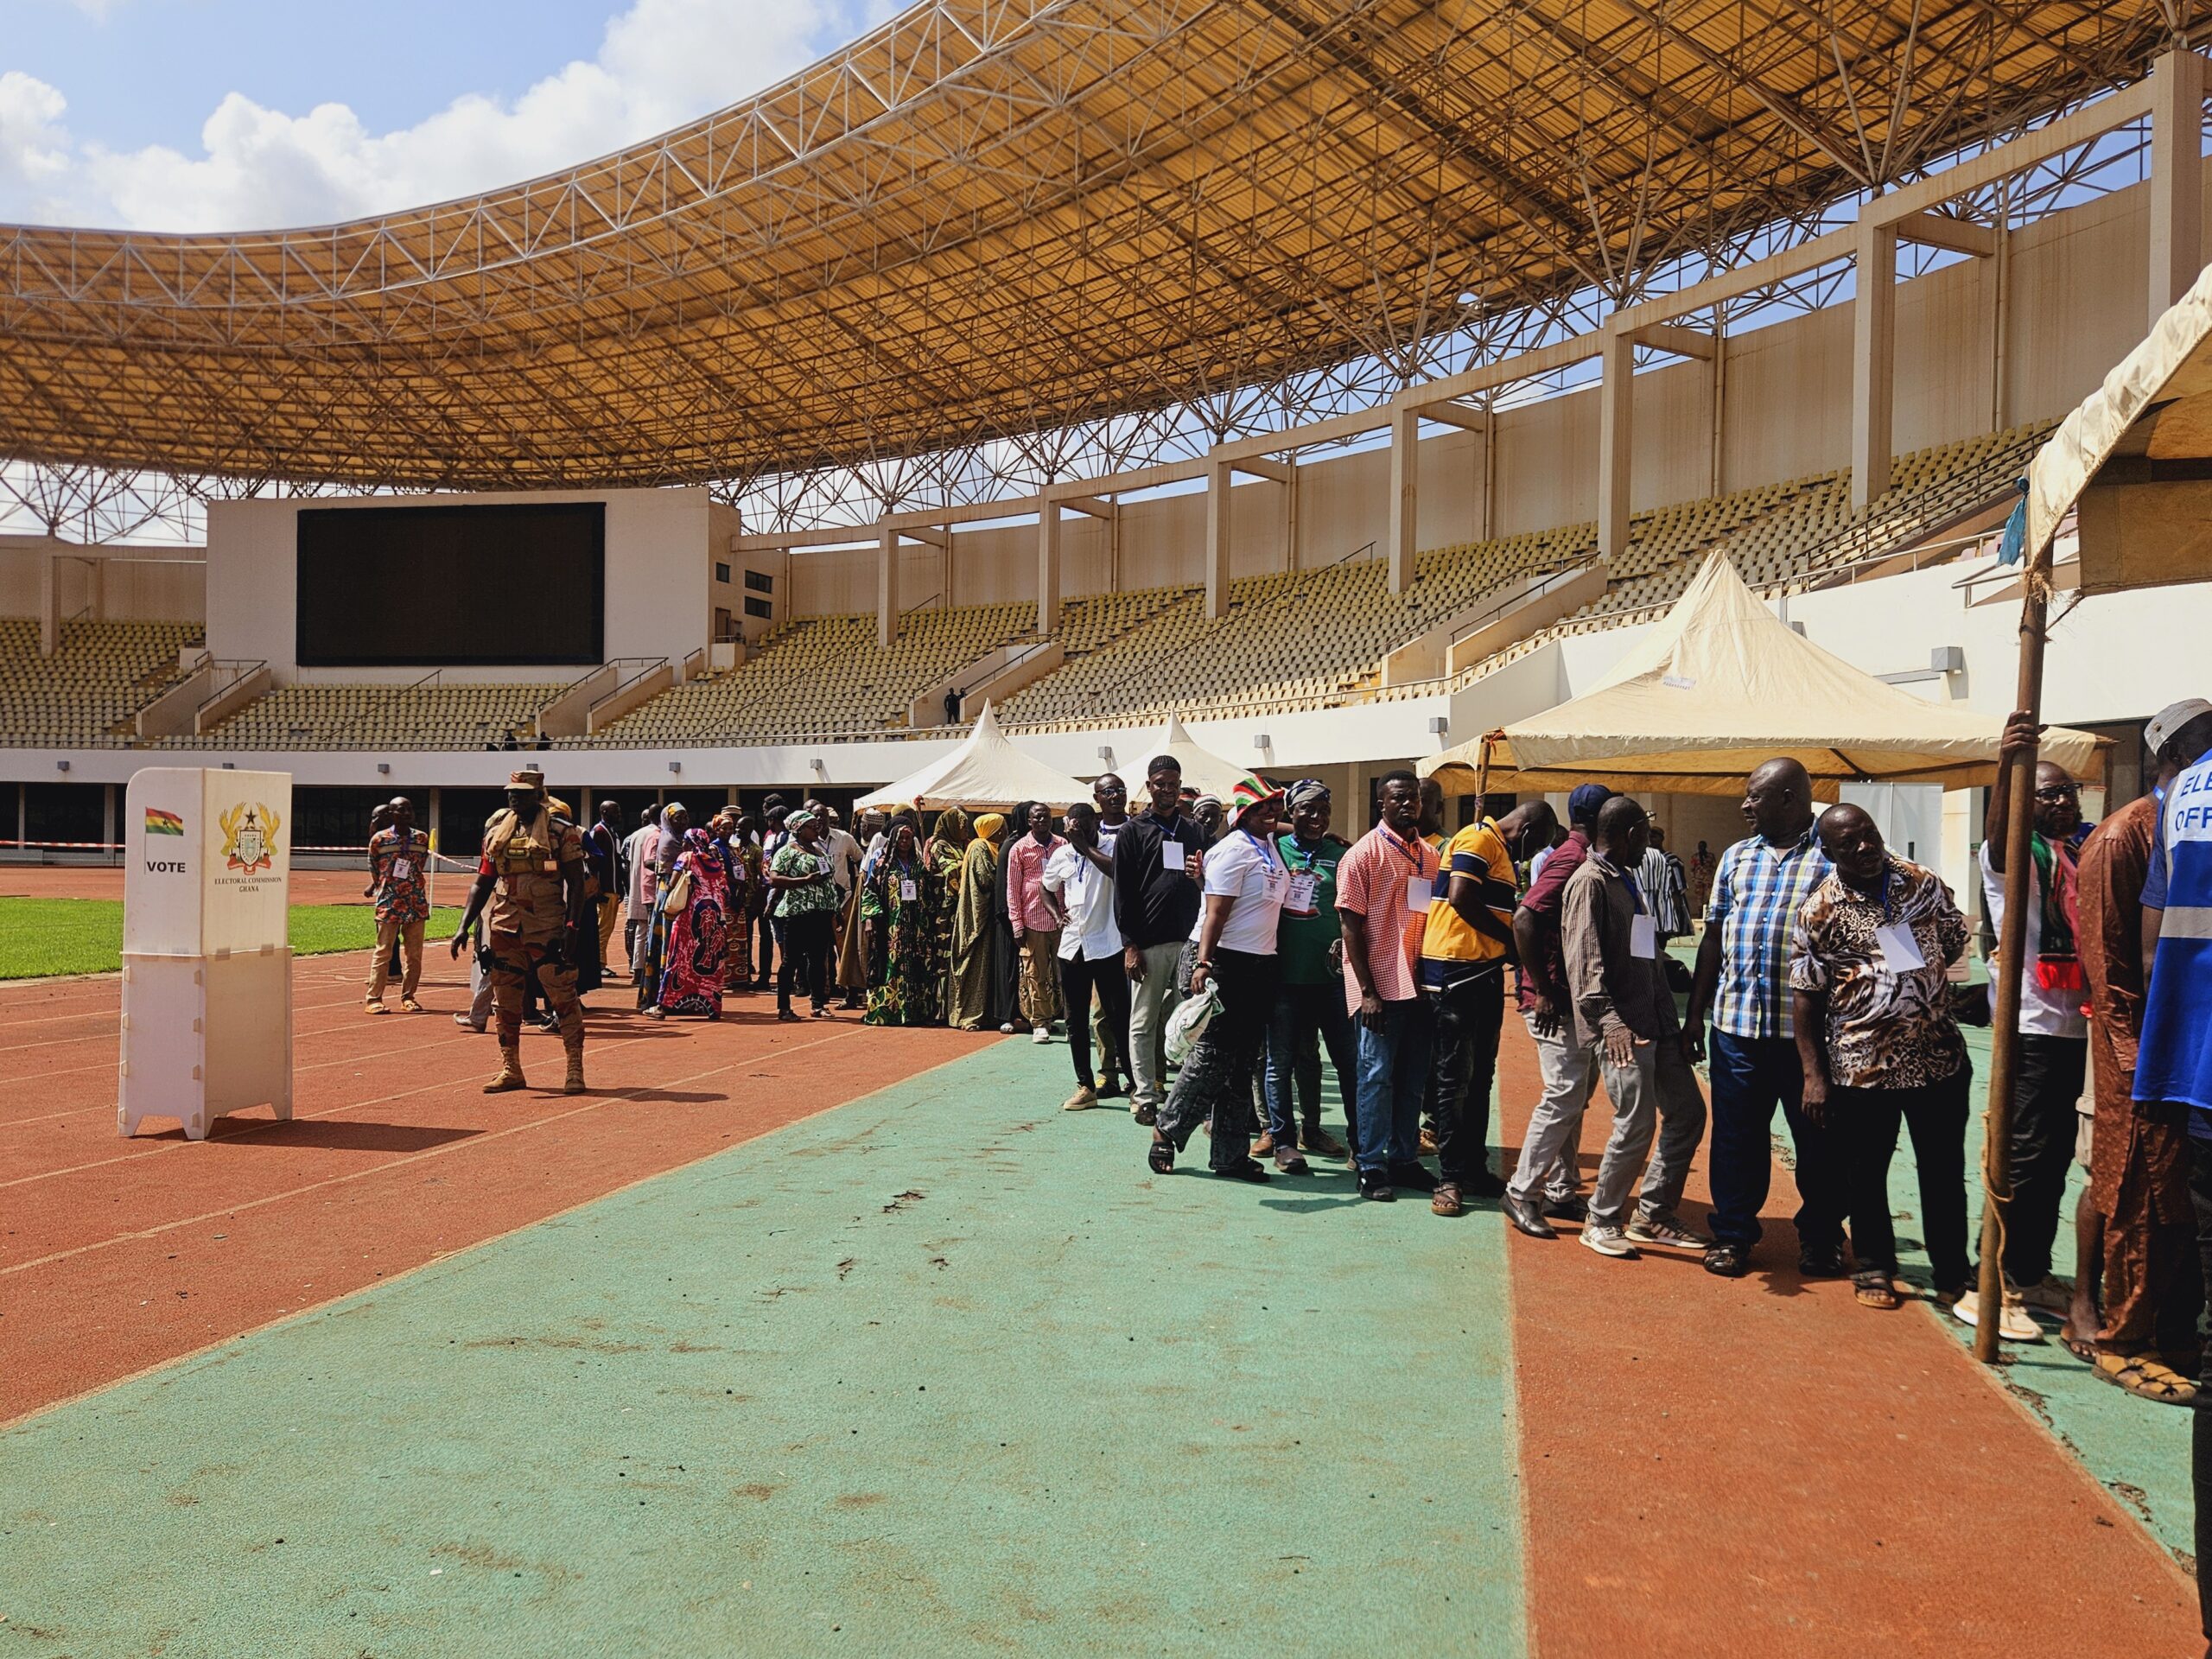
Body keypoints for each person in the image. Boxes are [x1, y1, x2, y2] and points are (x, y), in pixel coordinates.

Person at [2071, 700, 2212, 1400]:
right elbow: (2110, 964)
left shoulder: (2184, 826)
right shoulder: (2125, 836)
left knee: (2183, 1202)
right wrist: (2135, 1062)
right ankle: (2120, 1339)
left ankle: (2173, 1330)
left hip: (2189, 1054)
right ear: (2174, 760)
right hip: (2142, 1054)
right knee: (2131, 1194)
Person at [1789, 804, 1973, 1309]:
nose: (1865, 848)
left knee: (1942, 1170)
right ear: (1829, 852)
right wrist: (1814, 1076)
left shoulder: (1921, 882)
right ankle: (1874, 1266)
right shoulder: (1820, 909)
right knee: (1866, 1171)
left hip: (1938, 1057)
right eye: (1849, 844)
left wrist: (1916, 986)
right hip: (1864, 1066)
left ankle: (1952, 1272)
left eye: (1868, 835)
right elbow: (1806, 993)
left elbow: (1954, 938)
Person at [1686, 757, 1844, 1279]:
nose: (1745, 805)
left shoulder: (1833, 856)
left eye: (1756, 796)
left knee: (1818, 1142)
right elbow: (1713, 938)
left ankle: (1820, 1239)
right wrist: (1696, 1016)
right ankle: (1733, 1234)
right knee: (1736, 1139)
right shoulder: (1736, 857)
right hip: (1736, 1030)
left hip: (1808, 1040)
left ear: (1790, 799)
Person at [1972, 709, 2095, 1332]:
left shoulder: (2080, 852)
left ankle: (2028, 1270)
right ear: (2027, 801)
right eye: (2049, 794)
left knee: (2052, 1163)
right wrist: (2008, 767)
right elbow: (1996, 843)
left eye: (2069, 792)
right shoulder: (2015, 860)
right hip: (2030, 1027)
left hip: (2079, 1028)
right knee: (2019, 1156)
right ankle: (1991, 1281)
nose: (2064, 802)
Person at [1559, 797, 1710, 1258]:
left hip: (1657, 1024)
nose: (1650, 845)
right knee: (1636, 1122)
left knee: (1687, 1114)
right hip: (1623, 1029)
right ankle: (1602, 1218)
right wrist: (1610, 1022)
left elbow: (1644, 954)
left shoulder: (1626, 879)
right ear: (1628, 835)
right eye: (1645, 836)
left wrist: (1677, 1020)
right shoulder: (1588, 883)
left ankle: (1653, 1214)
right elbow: (1584, 964)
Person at [1147, 777, 1289, 1181]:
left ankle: (1229, 1154)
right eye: (1263, 808)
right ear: (1243, 814)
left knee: (1241, 1062)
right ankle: (1167, 1129)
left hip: (1258, 964)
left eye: (1275, 806)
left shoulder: (1267, 847)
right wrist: (1204, 963)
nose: (1272, 813)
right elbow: (1215, 913)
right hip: (1219, 959)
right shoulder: (1233, 850)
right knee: (1212, 1056)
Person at [1420, 800, 1550, 1214]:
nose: (1528, 857)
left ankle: (1473, 1167)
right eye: (1534, 848)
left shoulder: (1495, 847)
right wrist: (1511, 942)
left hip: (1483, 972)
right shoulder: (1478, 838)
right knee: (1453, 1078)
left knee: (1480, 1078)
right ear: (1527, 831)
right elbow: (1461, 897)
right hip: (1455, 973)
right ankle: (1451, 1177)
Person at [1502, 788, 1606, 1238]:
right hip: (1551, 999)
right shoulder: (1570, 858)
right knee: (1564, 1091)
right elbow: (1525, 918)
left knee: (1575, 1094)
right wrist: (1542, 989)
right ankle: (1522, 1191)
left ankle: (1562, 1189)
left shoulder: (1584, 855)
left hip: (1570, 998)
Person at [1336, 770, 1442, 1202]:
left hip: (1420, 986)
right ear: (1381, 803)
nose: (1407, 805)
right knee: (1376, 1076)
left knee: (1413, 1078)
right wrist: (1367, 991)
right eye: (1398, 798)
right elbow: (1350, 925)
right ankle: (1371, 1164)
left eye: (1413, 798)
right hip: (1380, 987)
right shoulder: (1362, 856)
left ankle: (1403, 1157)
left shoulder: (1429, 856)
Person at [449, 767, 588, 1094]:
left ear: (538, 795)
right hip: (505, 926)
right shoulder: (497, 832)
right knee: (506, 1000)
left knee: (563, 998)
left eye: (522, 792)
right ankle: (511, 1068)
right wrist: (463, 926)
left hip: (548, 926)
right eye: (511, 791)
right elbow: (482, 881)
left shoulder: (560, 832)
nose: (514, 796)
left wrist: (572, 926)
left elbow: (577, 884)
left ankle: (574, 1068)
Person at [1262, 780, 1355, 1164]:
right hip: (1284, 978)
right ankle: (1283, 1140)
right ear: (1291, 813)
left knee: (1347, 1062)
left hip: (1331, 980)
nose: (1317, 818)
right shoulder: (1272, 849)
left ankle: (1350, 1138)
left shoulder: (1342, 853)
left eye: (1323, 810)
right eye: (1307, 810)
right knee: (1279, 1062)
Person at [1113, 756, 1203, 1126]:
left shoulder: (1193, 829)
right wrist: (1130, 944)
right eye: (1161, 784)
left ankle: (1186, 1094)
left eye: (1174, 784)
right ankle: (1145, 1095)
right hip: (1148, 943)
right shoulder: (1133, 831)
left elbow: (1208, 883)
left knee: (1189, 1021)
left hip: (1188, 941)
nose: (1168, 790)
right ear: (1149, 786)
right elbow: (1124, 892)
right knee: (1143, 1022)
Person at [1042, 801, 1130, 1109]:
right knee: (1076, 1020)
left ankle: (1134, 1085)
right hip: (1072, 946)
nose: (1076, 833)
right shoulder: (1061, 854)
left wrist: (1085, 848)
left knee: (1118, 1017)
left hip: (1107, 944)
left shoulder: (1113, 845)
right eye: (1071, 829)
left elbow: (1119, 873)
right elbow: (1046, 886)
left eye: (1083, 827)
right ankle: (1085, 1086)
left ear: (1095, 823)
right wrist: (1055, 913)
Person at [861, 819, 942, 1027]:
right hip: (891, 928)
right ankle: (889, 1012)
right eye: (902, 839)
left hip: (916, 928)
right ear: (894, 841)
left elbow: (929, 894)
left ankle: (915, 1012)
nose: (905, 842)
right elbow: (870, 892)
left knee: (917, 968)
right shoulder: (882, 866)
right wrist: (870, 919)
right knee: (890, 967)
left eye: (908, 838)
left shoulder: (918, 865)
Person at [648, 825, 732, 1019]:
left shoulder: (686, 857)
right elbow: (725, 892)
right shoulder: (716, 863)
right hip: (716, 919)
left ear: (690, 842)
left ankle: (663, 1005)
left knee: (679, 959)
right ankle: (712, 1006)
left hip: (691, 918)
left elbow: (673, 883)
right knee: (712, 960)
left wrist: (666, 891)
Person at [766, 808, 838, 1020]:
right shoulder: (787, 851)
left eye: (817, 825)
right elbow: (774, 879)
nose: (817, 828)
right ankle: (784, 1008)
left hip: (822, 913)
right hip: (798, 913)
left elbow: (829, 883)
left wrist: (835, 909)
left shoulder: (819, 851)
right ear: (798, 829)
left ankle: (818, 1004)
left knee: (818, 960)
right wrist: (805, 880)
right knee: (791, 960)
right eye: (811, 826)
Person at [1006, 801, 1066, 1045]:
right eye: (1037, 817)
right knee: (1036, 973)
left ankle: (1067, 1019)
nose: (1042, 821)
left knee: (1066, 975)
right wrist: (1016, 923)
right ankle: (1040, 1022)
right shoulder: (1019, 849)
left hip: (1063, 920)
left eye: (1046, 817)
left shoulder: (1063, 845)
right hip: (1033, 921)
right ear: (1029, 821)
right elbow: (1012, 888)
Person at [1087, 774, 1132, 1099]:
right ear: (1097, 798)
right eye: (1108, 792)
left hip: (1133, 935)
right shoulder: (1091, 833)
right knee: (1102, 1011)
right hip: (1100, 936)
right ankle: (1108, 1072)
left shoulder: (1137, 829)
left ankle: (1141, 1074)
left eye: (1120, 790)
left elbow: (1120, 870)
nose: (1116, 796)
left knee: (1138, 1011)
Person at [364, 795, 430, 1014]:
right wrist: (383, 886)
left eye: (409, 809)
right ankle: (374, 999)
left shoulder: (421, 839)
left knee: (414, 954)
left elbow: (419, 865)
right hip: (389, 902)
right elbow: (374, 868)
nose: (406, 813)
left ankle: (409, 997)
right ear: (391, 814)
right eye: (401, 810)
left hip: (415, 902)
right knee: (383, 952)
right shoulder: (379, 840)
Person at [949, 812, 1014, 1031]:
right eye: (1002, 827)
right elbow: (986, 878)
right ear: (993, 830)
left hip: (991, 918)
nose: (1005, 831)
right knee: (975, 965)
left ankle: (989, 1014)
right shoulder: (979, 847)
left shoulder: (993, 848)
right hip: (978, 917)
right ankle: (969, 1015)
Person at [585, 801, 626, 977]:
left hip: (613, 887)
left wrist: (621, 887)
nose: (619, 814)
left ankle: (599, 962)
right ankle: (598, 964)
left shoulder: (612, 832)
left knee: (607, 927)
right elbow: (591, 860)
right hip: (605, 888)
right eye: (615, 811)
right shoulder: (599, 832)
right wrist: (597, 887)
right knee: (602, 927)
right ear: (604, 812)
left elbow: (616, 862)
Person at [624, 808, 660, 983]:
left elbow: (629, 862)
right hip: (653, 887)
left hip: (638, 886)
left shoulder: (635, 835)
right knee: (655, 931)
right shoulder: (658, 834)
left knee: (641, 930)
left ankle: (637, 970)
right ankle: (650, 971)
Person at [1639, 823, 1691, 942]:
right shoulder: (1638, 859)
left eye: (1654, 836)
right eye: (1649, 836)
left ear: (1662, 839)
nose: (1651, 840)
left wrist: (1675, 914)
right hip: (1646, 910)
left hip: (1664, 912)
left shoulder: (1671, 860)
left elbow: (1678, 890)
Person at [1688, 839, 1716, 916]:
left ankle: (1708, 912)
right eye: (1700, 846)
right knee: (1699, 897)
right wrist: (1693, 878)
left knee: (1709, 896)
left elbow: (1714, 867)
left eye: (1702, 846)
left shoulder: (1710, 856)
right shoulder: (1695, 857)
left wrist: (1712, 876)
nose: (1701, 848)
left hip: (1708, 879)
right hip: (1698, 879)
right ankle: (1700, 911)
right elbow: (1692, 868)